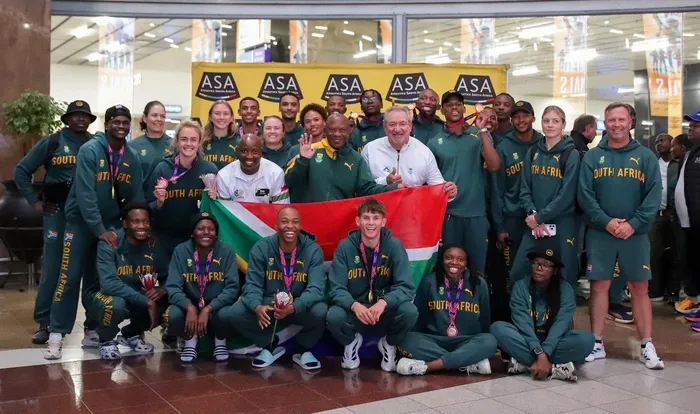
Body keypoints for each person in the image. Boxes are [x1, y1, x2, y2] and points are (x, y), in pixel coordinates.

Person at [46, 105, 145, 360]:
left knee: (97, 282)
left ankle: (91, 329)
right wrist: (99, 229)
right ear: (107, 124)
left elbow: (135, 197)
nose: (121, 126)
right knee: (69, 278)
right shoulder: (90, 150)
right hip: (81, 224)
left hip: (110, 226)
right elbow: (85, 195)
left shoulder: (131, 156)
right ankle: (56, 334)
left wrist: (129, 227)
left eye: (125, 122)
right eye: (116, 122)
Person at [578, 102, 663, 369]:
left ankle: (647, 344)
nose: (616, 124)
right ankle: (596, 342)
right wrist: (606, 222)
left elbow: (653, 196)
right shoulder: (593, 156)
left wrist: (633, 224)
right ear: (605, 123)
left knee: (639, 288)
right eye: (611, 120)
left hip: (635, 234)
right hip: (601, 233)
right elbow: (585, 195)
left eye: (621, 119)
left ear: (630, 122)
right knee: (599, 286)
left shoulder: (646, 157)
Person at [14, 100, 95, 344]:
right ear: (67, 119)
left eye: (85, 116)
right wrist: (34, 202)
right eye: (75, 115)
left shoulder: (95, 144)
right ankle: (45, 321)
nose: (80, 119)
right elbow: (21, 170)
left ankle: (92, 324)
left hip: (86, 215)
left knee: (89, 270)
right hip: (57, 214)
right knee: (53, 268)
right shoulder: (53, 142)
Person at [222, 206, 327, 369]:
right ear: (276, 225)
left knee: (321, 310)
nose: (290, 226)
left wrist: (294, 307)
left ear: (300, 225)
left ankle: (303, 349)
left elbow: (316, 289)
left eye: (295, 222)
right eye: (284, 221)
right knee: (235, 313)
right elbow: (253, 284)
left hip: (298, 304)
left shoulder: (312, 250)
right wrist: (257, 306)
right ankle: (270, 344)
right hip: (269, 303)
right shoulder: (262, 247)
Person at [327, 198, 418, 371]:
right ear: (358, 221)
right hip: (356, 311)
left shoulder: (394, 246)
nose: (371, 223)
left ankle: (389, 344)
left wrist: (385, 302)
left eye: (376, 218)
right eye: (366, 218)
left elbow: (406, 287)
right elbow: (336, 288)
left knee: (409, 311)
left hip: (383, 311)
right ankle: (351, 342)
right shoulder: (345, 247)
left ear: (383, 222)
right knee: (334, 316)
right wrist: (354, 305)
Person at [491, 245, 594, 382]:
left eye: (545, 265)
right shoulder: (521, 287)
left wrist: (546, 351)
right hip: (527, 339)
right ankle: (556, 367)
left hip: (555, 341)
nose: (539, 268)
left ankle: (526, 364)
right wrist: (538, 352)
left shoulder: (565, 289)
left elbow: (561, 324)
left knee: (587, 340)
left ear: (555, 270)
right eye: (536, 263)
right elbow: (523, 323)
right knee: (498, 328)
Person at [429, 90, 501, 274]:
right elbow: (430, 182)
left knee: (477, 270)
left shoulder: (478, 134)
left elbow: (494, 166)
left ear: (463, 108)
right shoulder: (435, 142)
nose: (454, 108)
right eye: (449, 105)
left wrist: (482, 131)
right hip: (448, 215)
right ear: (442, 110)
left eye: (458, 104)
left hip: (475, 214)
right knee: (448, 270)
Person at [395, 245, 496, 376]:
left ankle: (430, 366)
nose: (454, 262)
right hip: (435, 341)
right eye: (449, 258)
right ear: (442, 260)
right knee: (405, 339)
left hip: (466, 341)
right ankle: (467, 361)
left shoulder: (478, 283)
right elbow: (419, 318)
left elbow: (485, 319)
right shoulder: (429, 281)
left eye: (460, 259)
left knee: (489, 341)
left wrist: (478, 344)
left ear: (466, 263)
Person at [511, 105, 581, 286]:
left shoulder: (571, 154)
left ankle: (564, 306)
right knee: (519, 271)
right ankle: (525, 304)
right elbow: (525, 188)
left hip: (562, 224)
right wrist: (533, 213)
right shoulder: (533, 152)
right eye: (546, 121)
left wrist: (541, 217)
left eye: (555, 121)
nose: (550, 125)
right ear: (541, 123)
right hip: (534, 223)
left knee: (564, 275)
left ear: (563, 124)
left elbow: (566, 195)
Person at [92, 202, 169, 360]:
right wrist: (146, 301)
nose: (142, 226)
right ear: (125, 224)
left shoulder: (153, 243)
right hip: (110, 295)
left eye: (145, 221)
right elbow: (108, 284)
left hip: (138, 294)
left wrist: (163, 290)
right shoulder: (110, 242)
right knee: (114, 305)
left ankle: (131, 334)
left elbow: (169, 274)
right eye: (136, 221)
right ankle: (106, 341)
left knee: (170, 299)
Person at [165, 213, 239, 363]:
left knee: (227, 314)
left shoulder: (226, 250)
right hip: (190, 302)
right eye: (201, 229)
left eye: (211, 229)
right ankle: (189, 341)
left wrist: (209, 308)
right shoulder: (181, 250)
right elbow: (172, 287)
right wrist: (189, 307)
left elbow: (232, 287)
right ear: (193, 232)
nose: (206, 232)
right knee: (173, 315)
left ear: (216, 233)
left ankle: (220, 341)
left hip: (217, 305)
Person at [285, 113, 400, 203]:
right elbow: (289, 182)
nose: (337, 134)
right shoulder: (309, 151)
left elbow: (367, 189)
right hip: (308, 221)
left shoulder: (356, 159)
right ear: (325, 130)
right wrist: (303, 161)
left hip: (341, 221)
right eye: (332, 130)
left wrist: (394, 188)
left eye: (342, 130)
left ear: (350, 130)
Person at [147, 120, 218, 255]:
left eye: (193, 140)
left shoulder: (209, 170)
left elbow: (217, 210)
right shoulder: (163, 169)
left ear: (200, 142)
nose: (188, 144)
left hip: (197, 241)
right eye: (184, 139)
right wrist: (159, 203)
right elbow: (148, 207)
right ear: (177, 141)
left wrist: (215, 200)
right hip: (165, 240)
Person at [491, 100, 544, 275]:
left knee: (540, 268)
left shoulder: (543, 144)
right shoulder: (503, 147)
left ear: (533, 118)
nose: (521, 120)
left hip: (540, 216)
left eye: (525, 116)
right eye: (516, 117)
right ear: (511, 120)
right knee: (514, 270)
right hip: (513, 218)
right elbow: (497, 189)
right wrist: (500, 227)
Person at [361, 106, 456, 199]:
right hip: (378, 207)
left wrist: (449, 192)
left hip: (412, 207)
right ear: (385, 127)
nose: (397, 129)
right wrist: (386, 181)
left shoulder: (424, 152)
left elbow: (438, 188)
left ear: (410, 126)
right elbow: (362, 187)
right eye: (392, 124)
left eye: (402, 124)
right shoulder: (370, 149)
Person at [675, 111, 700, 315]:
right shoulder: (690, 153)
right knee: (691, 260)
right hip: (688, 221)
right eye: (690, 125)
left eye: (696, 125)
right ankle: (694, 300)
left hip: (697, 219)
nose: (690, 128)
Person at [217, 134, 289, 204]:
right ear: (237, 152)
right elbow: (224, 210)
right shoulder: (224, 176)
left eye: (254, 152)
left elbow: (281, 208)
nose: (249, 156)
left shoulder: (276, 173)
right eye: (244, 151)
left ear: (261, 152)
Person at [649, 133, 678, 302]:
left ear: (672, 142)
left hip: (675, 216)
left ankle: (673, 291)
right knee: (654, 254)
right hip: (656, 216)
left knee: (676, 253)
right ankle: (655, 291)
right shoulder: (653, 164)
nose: (659, 144)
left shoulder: (679, 164)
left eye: (662, 140)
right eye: (656, 142)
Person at [670, 133, 691, 306]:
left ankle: (690, 296)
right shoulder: (685, 159)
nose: (671, 149)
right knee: (681, 256)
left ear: (682, 147)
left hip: (692, 219)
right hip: (681, 219)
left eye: (673, 146)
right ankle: (686, 295)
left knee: (687, 258)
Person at [130, 101, 172, 180]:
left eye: (162, 116)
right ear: (145, 118)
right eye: (154, 115)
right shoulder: (132, 146)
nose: (159, 119)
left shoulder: (174, 144)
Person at [202, 100, 239, 170]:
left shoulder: (239, 144)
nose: (221, 117)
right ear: (210, 117)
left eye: (226, 114)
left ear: (231, 118)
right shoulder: (201, 143)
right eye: (217, 113)